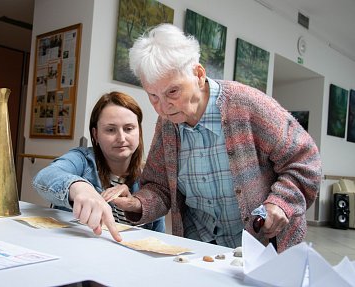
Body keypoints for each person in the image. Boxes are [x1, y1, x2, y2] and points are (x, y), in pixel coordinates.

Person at [109, 24, 321, 252]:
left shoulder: (248, 105)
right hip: (200, 250)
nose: (162, 107)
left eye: (172, 92)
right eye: (153, 95)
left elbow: (305, 162)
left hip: (264, 247)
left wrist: (281, 203)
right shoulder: (167, 124)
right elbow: (159, 187)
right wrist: (137, 203)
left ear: (198, 75)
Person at [32, 91, 165, 241]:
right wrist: (80, 188)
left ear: (139, 131)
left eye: (129, 128)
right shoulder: (82, 159)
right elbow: (44, 176)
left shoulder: (150, 179)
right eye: (110, 130)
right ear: (95, 135)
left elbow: (158, 239)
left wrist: (135, 204)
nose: (121, 138)